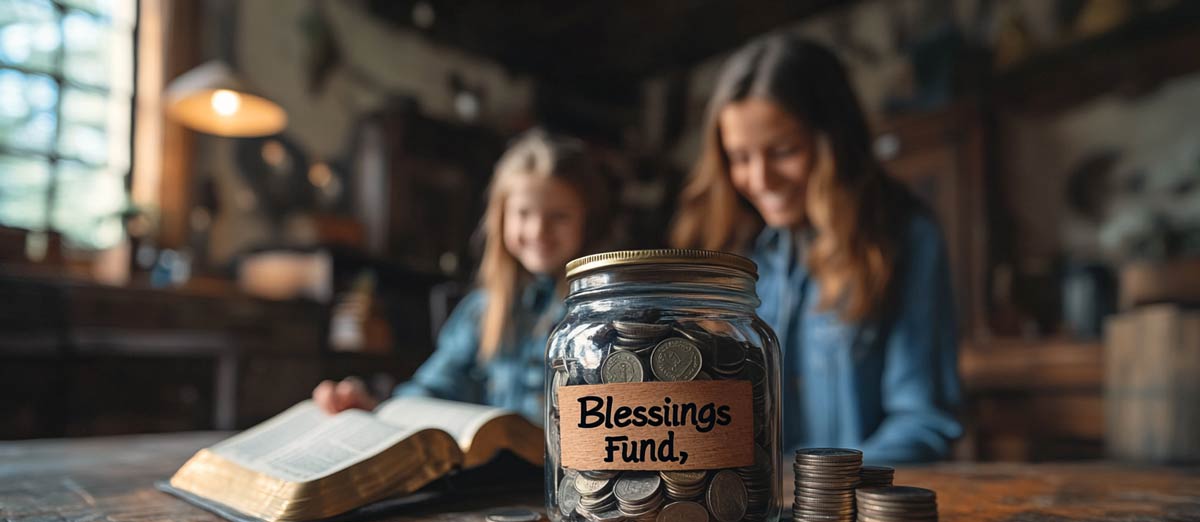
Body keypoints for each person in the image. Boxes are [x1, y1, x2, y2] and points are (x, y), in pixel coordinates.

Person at [671, 35, 961, 463]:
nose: (761, 179)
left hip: (855, 514)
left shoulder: (907, 238)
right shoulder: (737, 254)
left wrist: (815, 490)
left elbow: (923, 422)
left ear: (834, 142)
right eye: (739, 157)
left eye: (784, 151)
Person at [313, 129, 610, 422]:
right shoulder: (483, 309)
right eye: (523, 213)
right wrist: (375, 408)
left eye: (559, 216)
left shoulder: (602, 312)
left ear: (588, 220)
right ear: (501, 217)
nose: (538, 231)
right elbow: (436, 385)